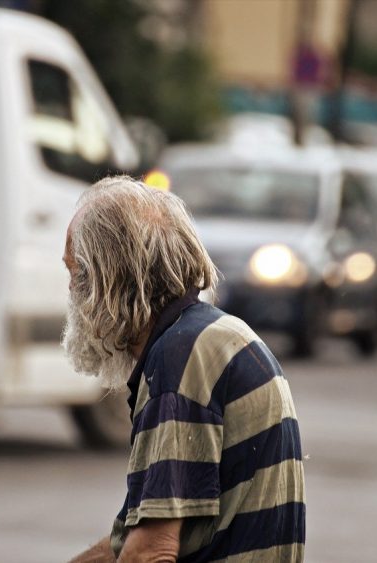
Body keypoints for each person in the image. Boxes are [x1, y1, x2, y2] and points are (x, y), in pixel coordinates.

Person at [62, 176, 306, 562]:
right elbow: (131, 540)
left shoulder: (181, 356)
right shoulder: (207, 336)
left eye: (75, 273)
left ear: (107, 278)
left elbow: (150, 551)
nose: (71, 293)